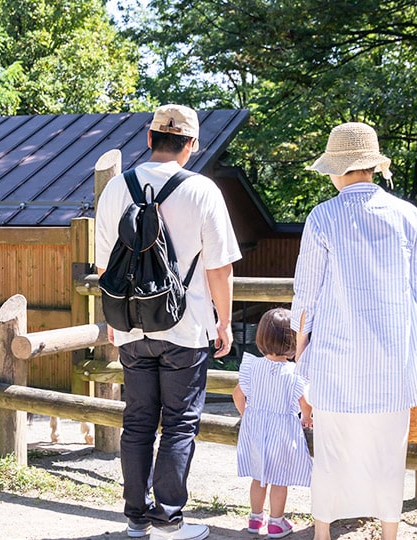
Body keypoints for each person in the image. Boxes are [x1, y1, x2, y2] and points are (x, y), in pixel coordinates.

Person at [290, 122, 417, 540]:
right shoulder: (407, 215)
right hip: (393, 359)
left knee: (330, 451)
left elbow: (306, 296)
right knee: (388, 453)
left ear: (336, 169)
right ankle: (389, 532)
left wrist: (299, 355)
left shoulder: (323, 216)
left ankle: (322, 533)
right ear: (372, 167)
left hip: (335, 357)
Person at [95, 104, 242, 540]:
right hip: (186, 325)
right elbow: (219, 268)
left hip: (131, 326)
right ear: (192, 145)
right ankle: (170, 520)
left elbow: (105, 266)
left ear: (149, 137)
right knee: (179, 423)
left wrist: (114, 319)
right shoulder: (203, 191)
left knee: (137, 421)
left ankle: (136, 520)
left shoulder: (117, 188)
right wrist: (225, 322)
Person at [232, 307, 312, 539]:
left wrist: (246, 414)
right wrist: (306, 418)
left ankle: (256, 519)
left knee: (259, 476)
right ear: (292, 340)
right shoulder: (294, 372)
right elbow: (304, 403)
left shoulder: (252, 366)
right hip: (282, 431)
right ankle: (276, 523)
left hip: (255, 427)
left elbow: (238, 394)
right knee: (279, 479)